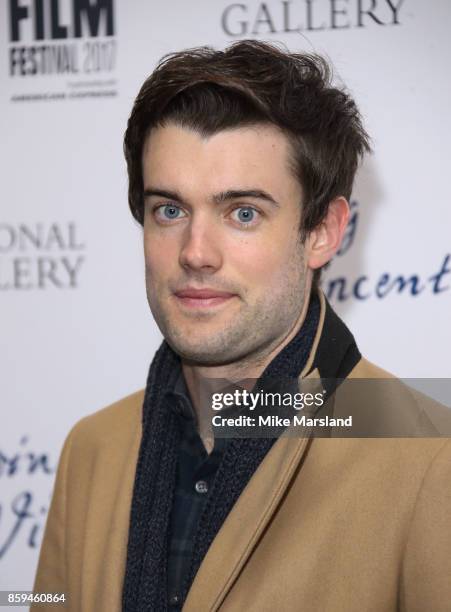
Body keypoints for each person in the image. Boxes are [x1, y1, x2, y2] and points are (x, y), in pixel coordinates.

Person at [33, 40, 451, 611]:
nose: (196, 253)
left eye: (243, 213)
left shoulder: (431, 458)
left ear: (324, 231)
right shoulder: (92, 449)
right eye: (170, 211)